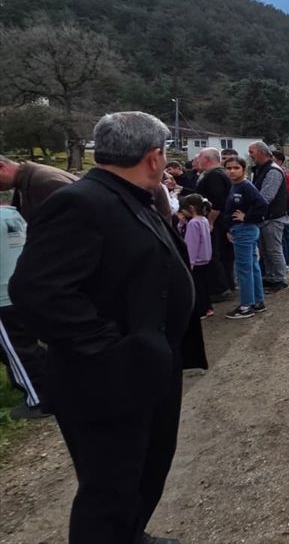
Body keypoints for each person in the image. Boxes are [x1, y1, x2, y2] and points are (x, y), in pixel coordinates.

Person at [10, 111, 195, 543]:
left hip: (144, 367)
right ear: (153, 158)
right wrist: (112, 347)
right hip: (107, 378)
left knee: (143, 472)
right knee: (109, 487)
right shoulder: (80, 202)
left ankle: (130, 534)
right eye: (164, 154)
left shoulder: (129, 195)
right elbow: (37, 291)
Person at [0, 154, 77, 420]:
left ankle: (39, 398)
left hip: (14, 292)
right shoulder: (24, 192)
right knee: (29, 343)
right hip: (29, 284)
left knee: (18, 348)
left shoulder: (44, 182)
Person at [221, 156, 268, 319]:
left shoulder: (245, 186)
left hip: (245, 230)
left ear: (244, 169)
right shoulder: (236, 186)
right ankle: (257, 301)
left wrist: (247, 217)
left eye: (236, 168)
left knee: (244, 269)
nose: (232, 171)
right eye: (229, 168)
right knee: (252, 266)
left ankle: (246, 305)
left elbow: (262, 204)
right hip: (241, 229)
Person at [193, 148, 234, 299]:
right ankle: (228, 284)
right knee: (225, 254)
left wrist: (210, 221)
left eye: (200, 158)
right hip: (225, 221)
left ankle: (220, 289)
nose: (197, 161)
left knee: (213, 254)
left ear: (207, 159)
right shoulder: (222, 173)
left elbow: (217, 201)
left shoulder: (214, 175)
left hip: (217, 221)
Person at [248, 142, 289, 292]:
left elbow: (267, 196)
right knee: (265, 250)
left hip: (273, 217)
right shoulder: (261, 170)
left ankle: (280, 279)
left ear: (261, 152)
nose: (250, 155)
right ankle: (271, 277)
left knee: (273, 250)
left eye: (251, 152)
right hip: (266, 216)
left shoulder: (272, 171)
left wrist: (250, 210)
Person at [270, 149, 289, 269]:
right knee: (284, 238)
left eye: (273, 160)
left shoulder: (284, 176)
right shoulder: (283, 174)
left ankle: (285, 263)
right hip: (283, 211)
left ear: (280, 161)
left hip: (283, 212)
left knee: (284, 238)